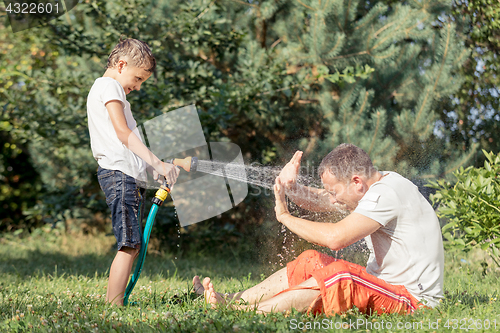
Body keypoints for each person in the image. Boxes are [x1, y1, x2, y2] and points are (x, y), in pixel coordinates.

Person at [193, 143, 444, 316]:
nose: (333, 200)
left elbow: (336, 239)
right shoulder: (374, 184)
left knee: (341, 275)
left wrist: (284, 216)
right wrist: (291, 188)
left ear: (356, 181)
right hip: (383, 287)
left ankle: (241, 312)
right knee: (310, 260)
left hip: (413, 300)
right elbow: (321, 201)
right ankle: (233, 299)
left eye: (335, 192)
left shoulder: (387, 194)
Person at [87, 38, 179, 305]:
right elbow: (123, 133)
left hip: (125, 176)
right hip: (119, 176)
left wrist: (154, 168)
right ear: (121, 64)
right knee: (129, 244)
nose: (137, 87)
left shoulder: (110, 89)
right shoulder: (109, 86)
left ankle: (117, 302)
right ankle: (113, 306)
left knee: (133, 244)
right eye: (137, 78)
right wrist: (159, 164)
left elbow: (128, 143)